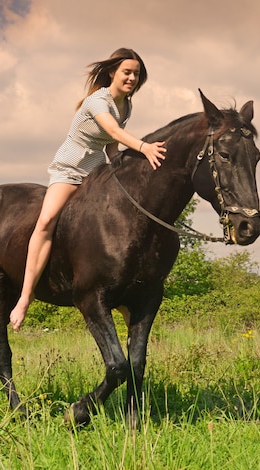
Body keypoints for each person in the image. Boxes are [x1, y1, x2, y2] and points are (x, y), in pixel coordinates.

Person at [9, 48, 166, 330]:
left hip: (95, 172)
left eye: (136, 74)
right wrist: (144, 147)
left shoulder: (126, 106)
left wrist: (123, 171)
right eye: (127, 72)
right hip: (69, 169)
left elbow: (110, 145)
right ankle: (25, 296)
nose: (132, 78)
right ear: (112, 73)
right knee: (46, 222)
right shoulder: (98, 101)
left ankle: (119, 296)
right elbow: (114, 131)